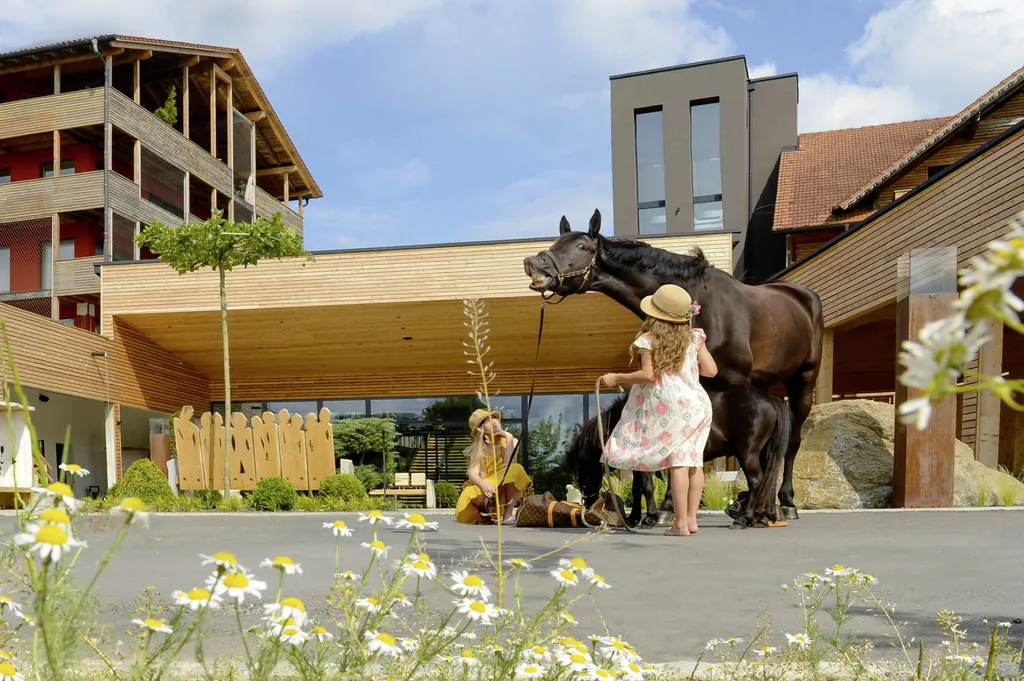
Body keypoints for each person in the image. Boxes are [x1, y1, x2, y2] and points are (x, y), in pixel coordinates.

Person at [599, 284, 718, 537]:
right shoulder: (696, 337)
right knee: (693, 462)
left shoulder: (648, 340)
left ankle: (681, 525)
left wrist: (615, 376)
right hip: (698, 403)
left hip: (670, 404)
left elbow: (648, 375)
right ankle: (692, 521)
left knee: (677, 463)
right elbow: (711, 371)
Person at [455, 409, 532, 525]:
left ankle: (508, 514)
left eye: (494, 418)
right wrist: (483, 484)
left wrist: (509, 437)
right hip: (483, 486)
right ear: (481, 430)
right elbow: (473, 474)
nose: (494, 422)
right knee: (469, 511)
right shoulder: (479, 448)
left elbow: (510, 468)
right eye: (487, 421)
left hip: (501, 485)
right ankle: (485, 512)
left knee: (517, 469)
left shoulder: (512, 441)